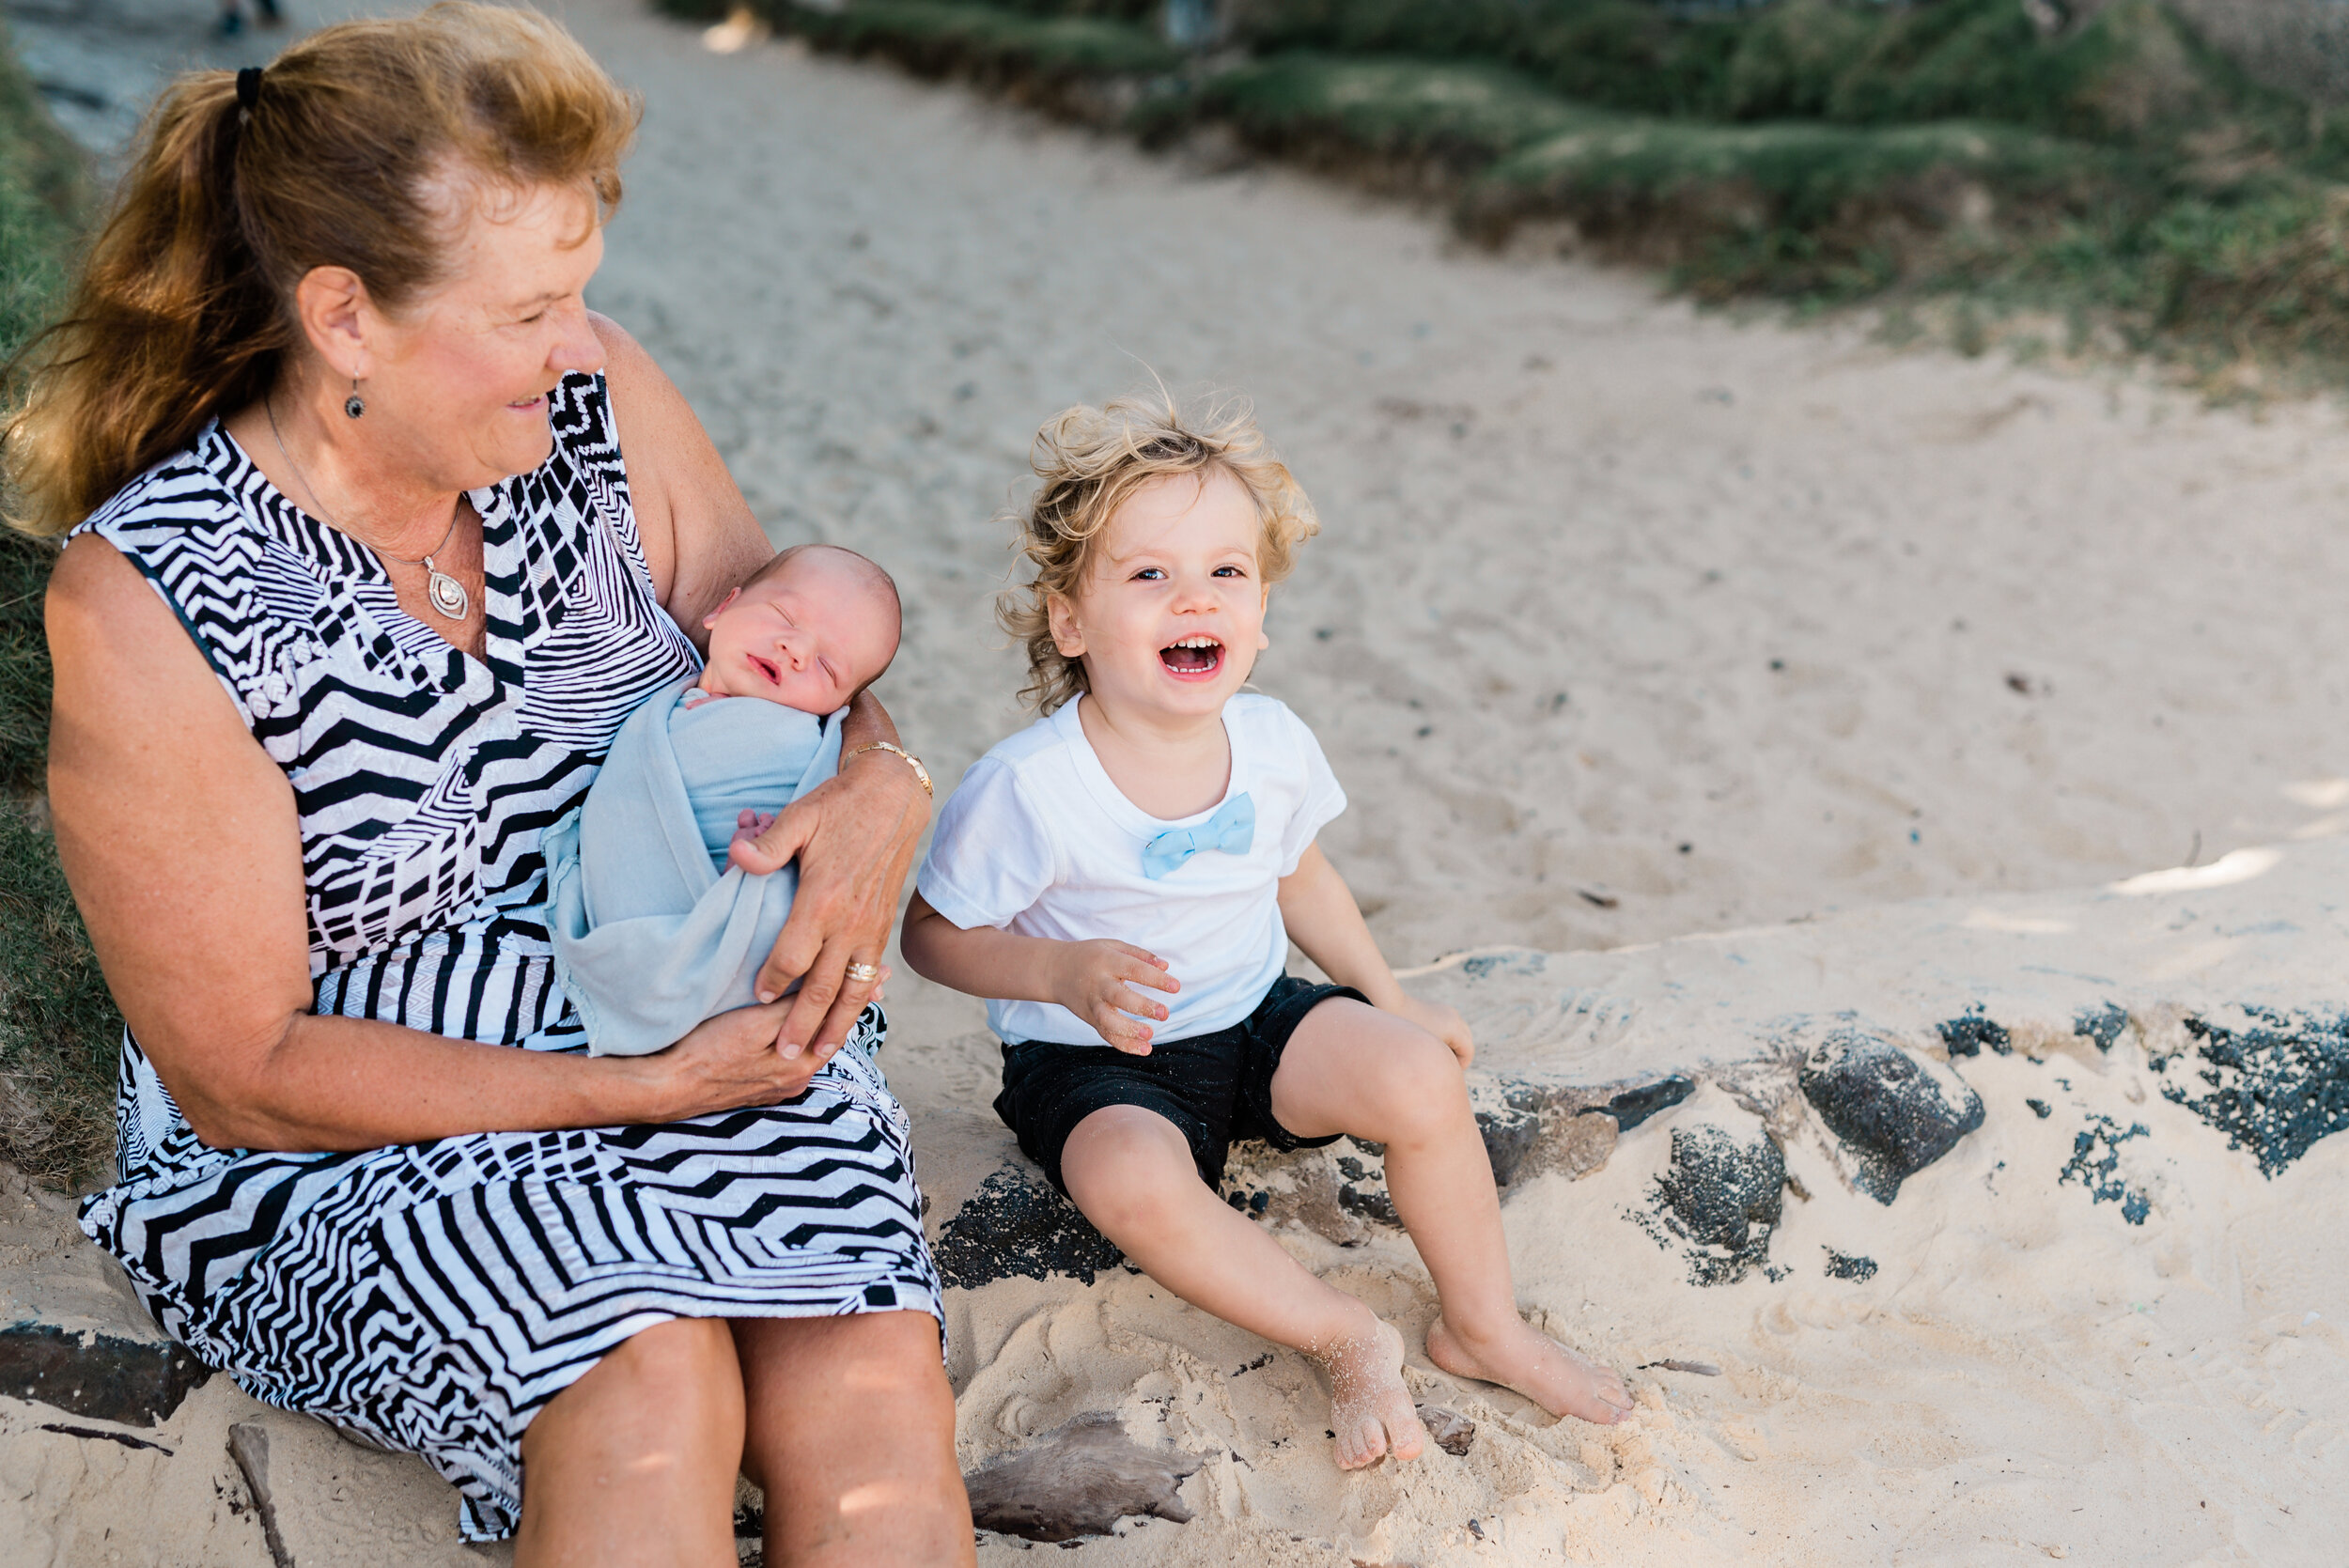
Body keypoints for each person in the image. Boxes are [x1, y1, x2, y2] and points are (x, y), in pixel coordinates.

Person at [8, 8, 970, 1563]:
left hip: (691, 1030)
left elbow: (801, 652)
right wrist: (629, 1092)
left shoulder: (599, 413)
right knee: (651, 1379)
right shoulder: (151, 597)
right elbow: (241, 1069)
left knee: (866, 1381)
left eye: (579, 297)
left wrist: (884, 776)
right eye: (532, 309)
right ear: (344, 318)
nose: (578, 345)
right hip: (366, 1126)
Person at [900, 395, 1635, 1472]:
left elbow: (1300, 875)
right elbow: (931, 934)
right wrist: (1054, 968)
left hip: (1254, 1017)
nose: (1193, 595)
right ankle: (1343, 1333)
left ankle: (1484, 1324)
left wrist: (1389, 999)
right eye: (1148, 574)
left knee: (1422, 1079)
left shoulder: (1272, 739)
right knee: (1131, 1183)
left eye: (1226, 571)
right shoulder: (1029, 786)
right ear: (1070, 620)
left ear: (1260, 607)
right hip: (1099, 1064)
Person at [545, 543, 907, 1057]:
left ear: (839, 707)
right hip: (645, 926)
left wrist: (776, 872)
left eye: (827, 667)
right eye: (784, 615)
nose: (797, 649)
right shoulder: (663, 707)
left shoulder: (804, 743)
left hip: (759, 930)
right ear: (722, 608)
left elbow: (838, 846)